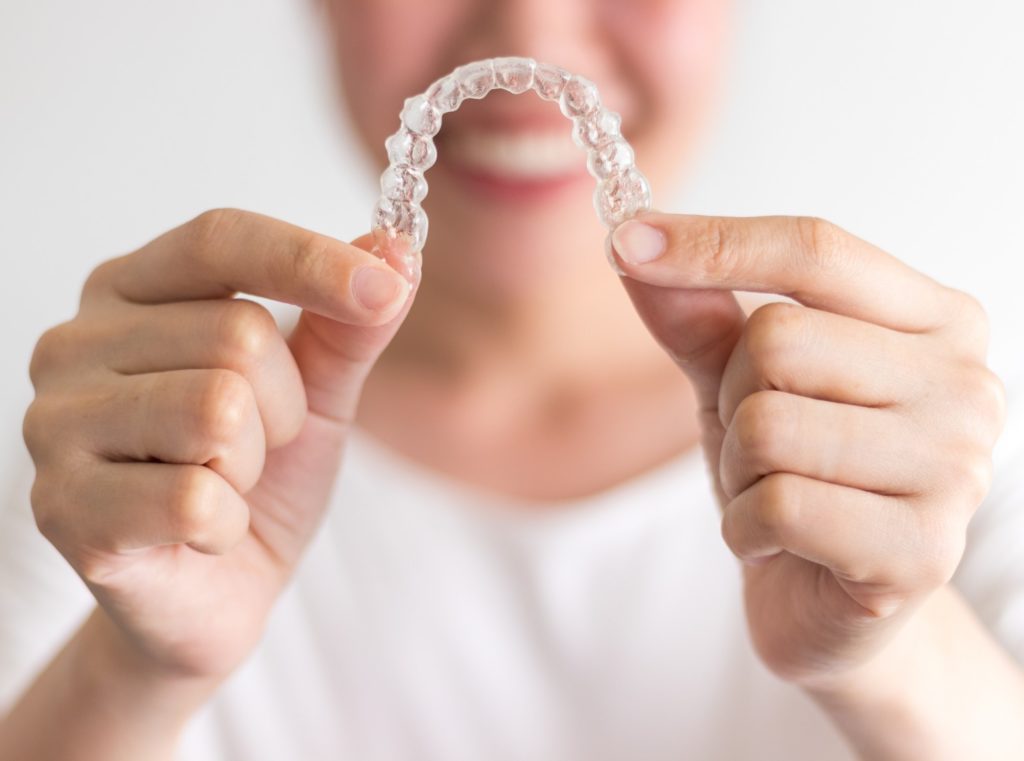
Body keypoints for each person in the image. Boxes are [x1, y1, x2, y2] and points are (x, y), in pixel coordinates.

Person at [2, 1, 1023, 759]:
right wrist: (129, 668)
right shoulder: (134, 474)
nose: (529, 33)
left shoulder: (948, 461)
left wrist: (892, 649)